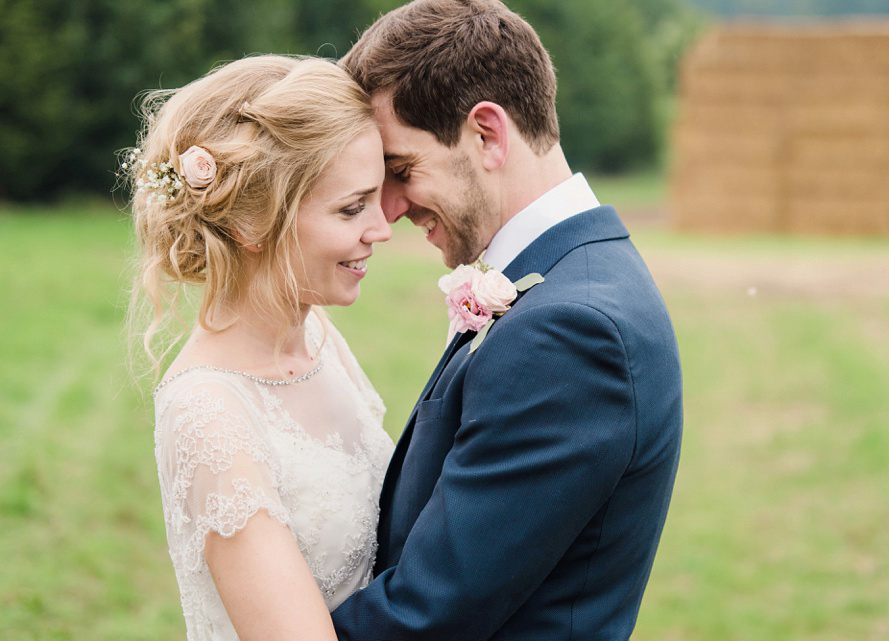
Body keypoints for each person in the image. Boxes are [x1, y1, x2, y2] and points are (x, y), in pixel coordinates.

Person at [330, 1, 684, 639]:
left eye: (402, 169)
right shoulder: (576, 277)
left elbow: (431, 612)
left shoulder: (570, 330)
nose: (388, 209)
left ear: (486, 134)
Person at [125, 55, 394, 640]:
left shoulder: (319, 335)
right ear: (251, 223)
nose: (382, 228)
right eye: (352, 207)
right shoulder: (209, 411)